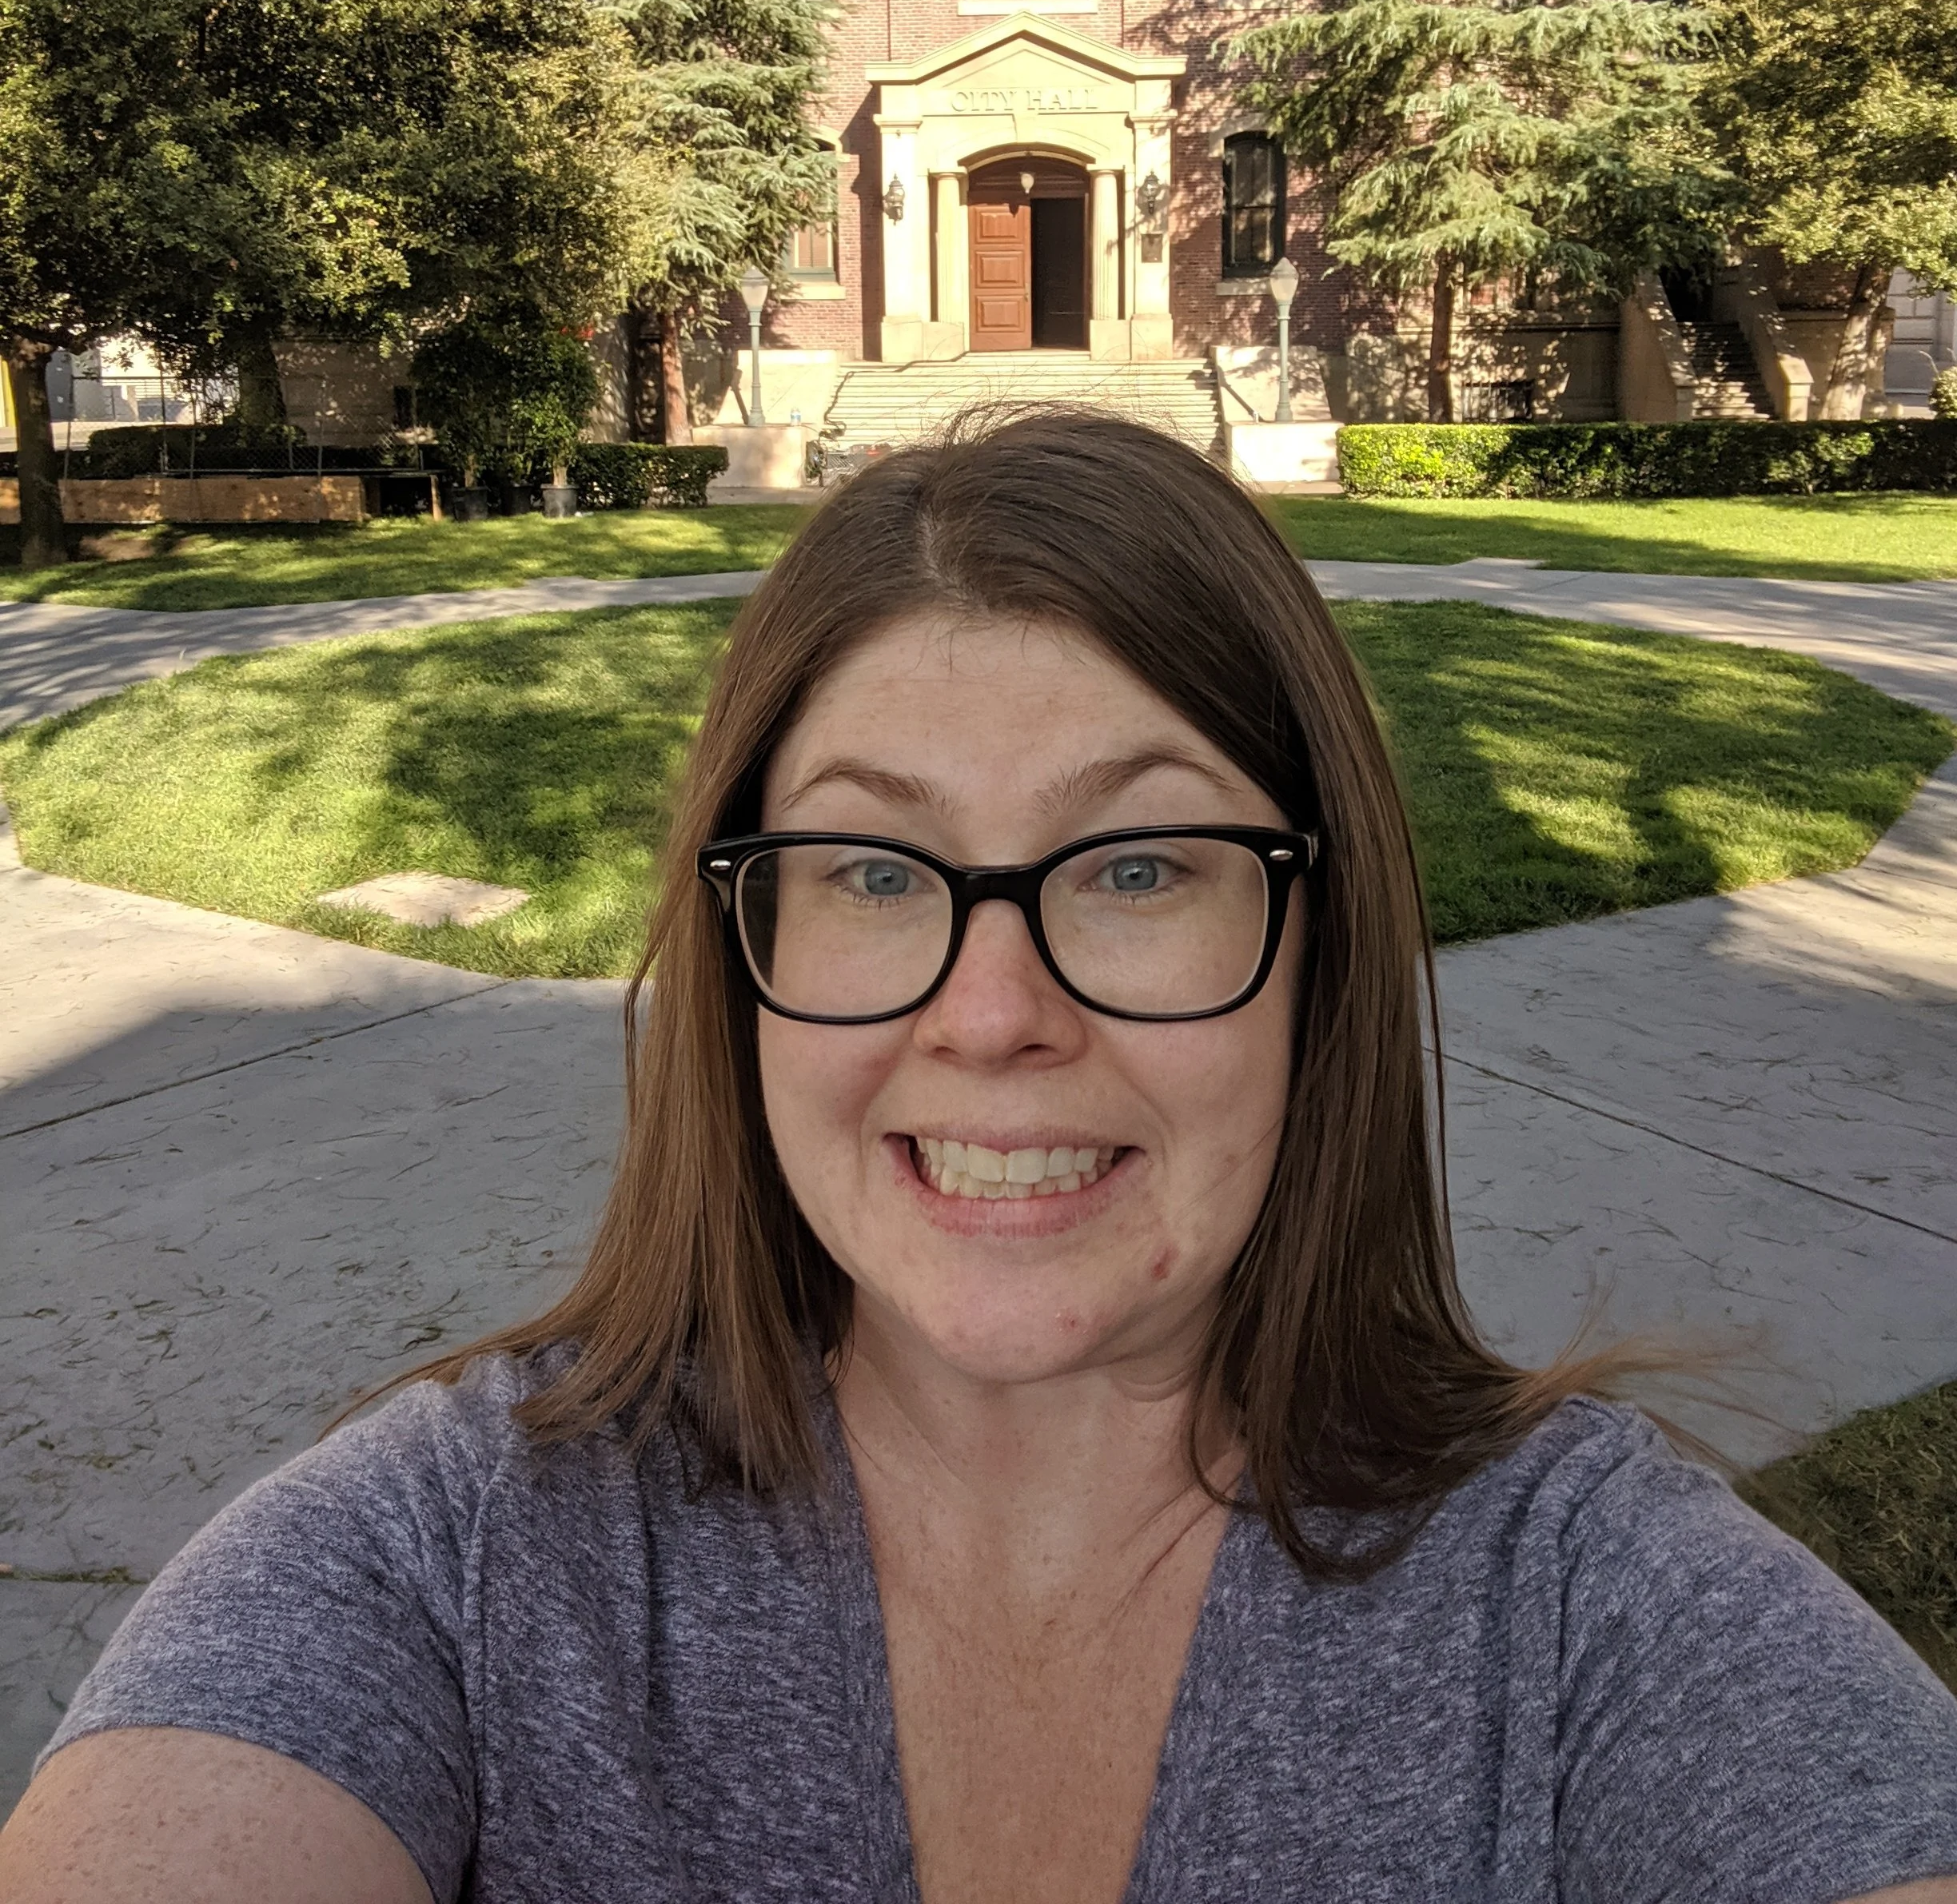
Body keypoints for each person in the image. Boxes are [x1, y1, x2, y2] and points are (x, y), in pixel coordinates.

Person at [4, 411, 1955, 1904]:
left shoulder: (1587, 1609)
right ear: (745, 952)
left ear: (1322, 948)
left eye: (1136, 867)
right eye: (869, 867)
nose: (996, 1014)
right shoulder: (449, 1560)